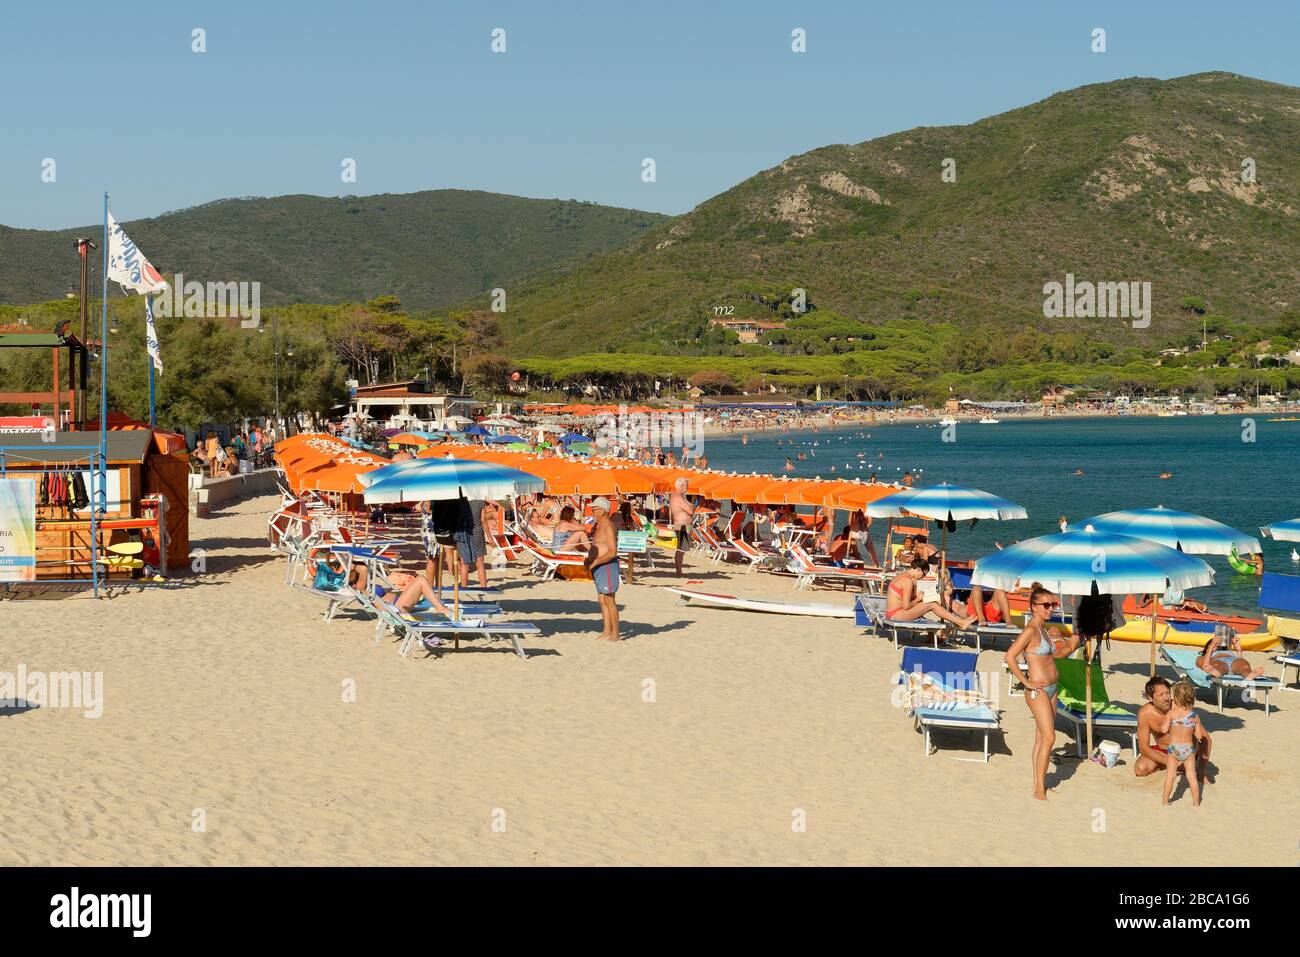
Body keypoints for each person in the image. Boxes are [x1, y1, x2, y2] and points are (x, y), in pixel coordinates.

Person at [1004, 584, 1082, 800]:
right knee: (1049, 737)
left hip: (1052, 689)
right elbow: (1010, 656)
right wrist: (1026, 682)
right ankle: (1039, 788)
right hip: (1037, 691)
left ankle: (1041, 782)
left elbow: (1051, 657)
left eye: (1053, 604)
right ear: (1034, 607)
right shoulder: (1030, 630)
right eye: (1046, 605)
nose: (1051, 609)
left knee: (1041, 738)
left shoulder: (1044, 630)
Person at [1134, 676, 1214, 782]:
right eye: (1161, 695)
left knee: (1185, 764)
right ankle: (1170, 767)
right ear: (1150, 698)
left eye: (1167, 693)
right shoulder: (1145, 714)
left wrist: (1201, 771)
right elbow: (1143, 747)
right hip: (1163, 752)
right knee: (1140, 769)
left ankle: (1179, 767)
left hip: (1185, 753)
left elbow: (1206, 740)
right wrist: (1168, 761)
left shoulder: (1180, 708)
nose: (1166, 698)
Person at [884, 557, 977, 627]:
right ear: (918, 570)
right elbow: (906, 606)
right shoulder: (907, 581)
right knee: (932, 604)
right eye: (923, 574)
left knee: (931, 603)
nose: (923, 577)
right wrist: (918, 599)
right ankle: (961, 622)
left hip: (894, 612)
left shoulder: (902, 575)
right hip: (896, 615)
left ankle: (959, 621)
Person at [1159, 680, 1208, 806]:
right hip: (1188, 749)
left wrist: (1167, 721)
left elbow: (1163, 730)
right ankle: (1196, 803)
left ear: (1175, 698)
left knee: (1170, 776)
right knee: (1191, 777)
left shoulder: (1171, 714)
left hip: (1173, 748)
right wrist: (1196, 724)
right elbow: (1198, 736)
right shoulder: (1194, 716)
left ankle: (1165, 802)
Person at [585, 497, 621, 642]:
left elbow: (613, 551)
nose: (592, 512)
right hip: (598, 566)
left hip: (606, 566)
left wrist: (596, 562)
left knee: (609, 600)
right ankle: (607, 631)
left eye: (594, 509)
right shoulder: (599, 525)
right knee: (602, 600)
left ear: (602, 510)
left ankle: (615, 634)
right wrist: (589, 561)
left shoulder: (608, 526)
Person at [1197, 626, 1265, 679]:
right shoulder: (1207, 654)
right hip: (1219, 661)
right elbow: (1204, 664)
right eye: (1215, 644)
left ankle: (1249, 675)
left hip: (1233, 661)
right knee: (1217, 665)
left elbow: (1240, 659)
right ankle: (1216, 672)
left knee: (1244, 665)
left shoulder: (1228, 650)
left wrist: (1238, 648)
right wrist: (1211, 646)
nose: (1217, 645)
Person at [668, 477, 695, 577]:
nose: (688, 487)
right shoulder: (678, 497)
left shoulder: (678, 497)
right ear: (681, 486)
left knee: (682, 549)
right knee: (681, 549)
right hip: (682, 526)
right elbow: (691, 510)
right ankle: (679, 572)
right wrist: (692, 506)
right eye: (686, 485)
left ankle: (679, 571)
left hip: (683, 525)